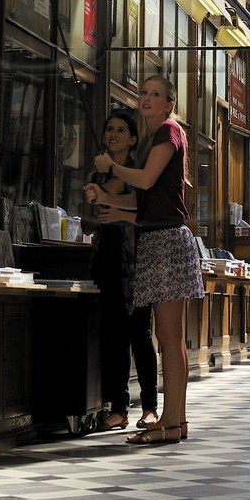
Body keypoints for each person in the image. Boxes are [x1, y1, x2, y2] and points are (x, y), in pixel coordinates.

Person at [85, 75, 203, 446]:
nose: (147, 99)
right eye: (144, 94)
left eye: (156, 95)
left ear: (170, 105)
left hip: (167, 241)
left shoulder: (169, 132)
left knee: (169, 338)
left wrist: (111, 167)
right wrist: (107, 198)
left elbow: (148, 182)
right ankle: (176, 419)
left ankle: (170, 420)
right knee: (168, 337)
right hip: (157, 238)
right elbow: (141, 204)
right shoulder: (152, 141)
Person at [86, 108, 159, 433]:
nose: (113, 134)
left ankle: (150, 407)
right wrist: (94, 197)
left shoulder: (138, 170)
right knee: (112, 336)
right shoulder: (97, 175)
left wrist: (107, 195)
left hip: (136, 260)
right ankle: (118, 407)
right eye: (109, 129)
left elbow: (140, 204)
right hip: (107, 260)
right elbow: (92, 222)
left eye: (120, 130)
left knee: (140, 334)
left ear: (132, 138)